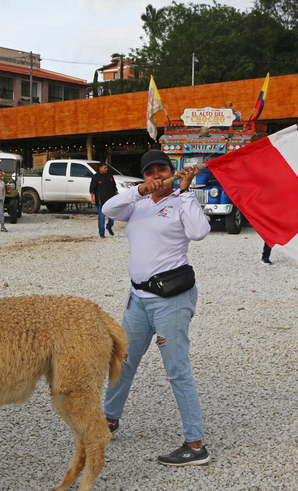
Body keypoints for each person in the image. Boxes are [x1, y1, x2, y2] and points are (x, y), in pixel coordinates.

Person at [101, 150, 211, 467]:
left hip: (169, 304)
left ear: (172, 171)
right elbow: (108, 208)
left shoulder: (180, 202)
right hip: (138, 301)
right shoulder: (136, 205)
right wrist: (139, 191)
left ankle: (195, 444)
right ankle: (108, 419)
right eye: (150, 173)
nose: (157, 176)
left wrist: (186, 190)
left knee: (176, 369)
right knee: (123, 360)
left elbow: (199, 232)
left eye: (162, 170)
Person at [89, 161, 118, 238]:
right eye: (105, 167)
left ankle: (109, 226)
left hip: (110, 199)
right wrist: (92, 199)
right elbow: (92, 189)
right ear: (100, 168)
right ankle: (101, 233)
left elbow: (114, 186)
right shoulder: (95, 177)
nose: (106, 169)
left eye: (107, 167)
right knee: (101, 217)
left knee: (112, 216)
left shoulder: (110, 175)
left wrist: (116, 194)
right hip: (100, 200)